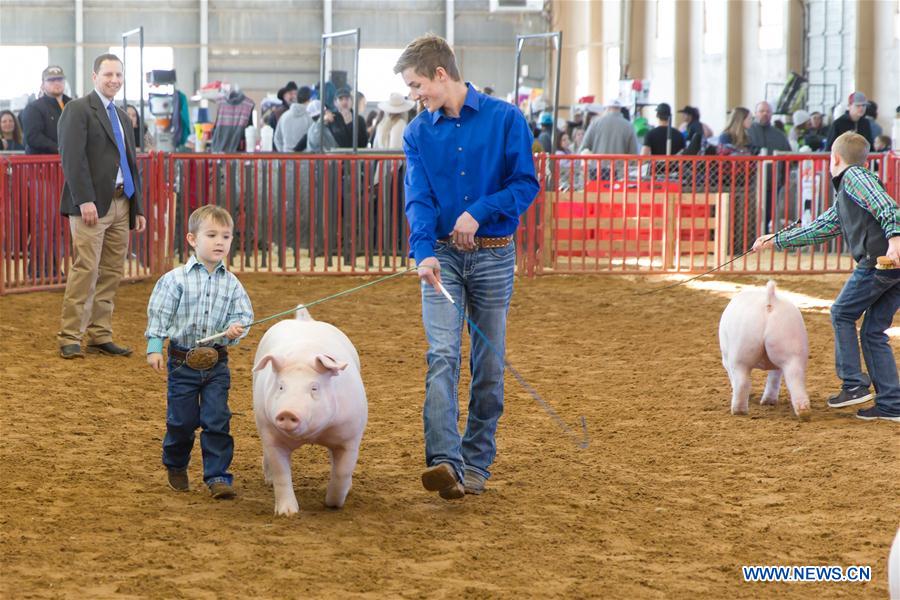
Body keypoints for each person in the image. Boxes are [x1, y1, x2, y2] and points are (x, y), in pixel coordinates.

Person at [394, 33, 539, 499]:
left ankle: (477, 462)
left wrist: (479, 211)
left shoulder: (506, 119)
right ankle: (444, 461)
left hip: (494, 253)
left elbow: (525, 185)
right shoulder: (416, 133)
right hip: (441, 258)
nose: (414, 96)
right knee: (441, 356)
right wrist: (423, 253)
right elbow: (417, 198)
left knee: (488, 364)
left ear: (441, 74)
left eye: (417, 86)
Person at [751, 131, 900, 422]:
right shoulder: (849, 192)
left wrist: (895, 237)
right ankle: (892, 403)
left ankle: (854, 384)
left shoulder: (855, 178)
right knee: (872, 332)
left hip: (879, 261)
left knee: (842, 313)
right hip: (892, 266)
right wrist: (777, 239)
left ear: (835, 158)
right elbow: (821, 228)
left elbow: (889, 207)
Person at [145, 204, 254, 499]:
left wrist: (235, 329)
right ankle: (176, 463)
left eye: (227, 236)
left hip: (217, 362)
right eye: (212, 235)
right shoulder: (174, 279)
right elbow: (160, 314)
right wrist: (155, 347)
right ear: (192, 240)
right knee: (181, 421)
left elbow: (243, 315)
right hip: (182, 362)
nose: (220, 242)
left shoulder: (232, 284)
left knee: (217, 418)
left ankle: (218, 476)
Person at [56, 54, 146, 359]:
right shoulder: (77, 109)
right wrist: (84, 200)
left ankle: (99, 334)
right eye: (108, 74)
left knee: (110, 271)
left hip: (121, 202)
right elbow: (72, 158)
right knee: (86, 269)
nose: (114, 80)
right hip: (91, 206)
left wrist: (138, 207)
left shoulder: (122, 116)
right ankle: (70, 335)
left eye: (119, 75)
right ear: (94, 76)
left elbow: (130, 163)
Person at [20, 65, 71, 154]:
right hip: (43, 163)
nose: (56, 83)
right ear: (43, 85)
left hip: (68, 160)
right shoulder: (33, 108)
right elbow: (33, 137)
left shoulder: (73, 105)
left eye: (60, 79)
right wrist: (59, 148)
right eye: (51, 80)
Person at [273, 85, 312, 152]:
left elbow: (277, 139)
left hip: (286, 159)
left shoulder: (284, 116)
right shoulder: (310, 118)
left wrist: (284, 152)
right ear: (309, 99)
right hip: (306, 160)